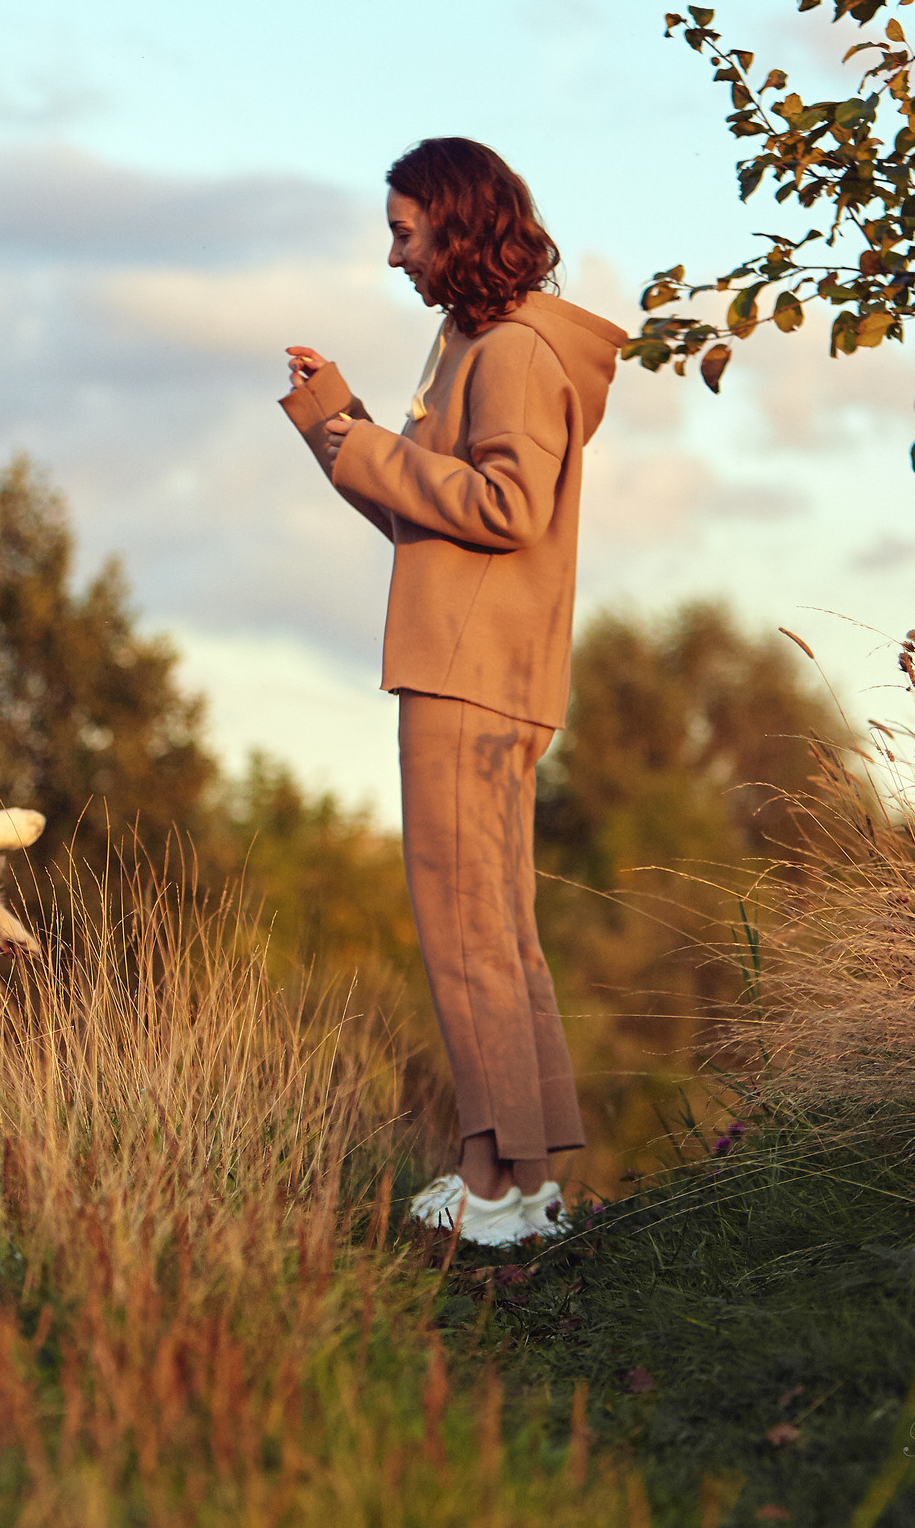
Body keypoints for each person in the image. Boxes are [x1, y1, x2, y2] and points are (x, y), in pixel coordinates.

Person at [278, 137, 625, 1248]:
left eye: (403, 232)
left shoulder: (513, 353)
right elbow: (424, 515)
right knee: (493, 931)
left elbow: (506, 507)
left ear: (455, 222)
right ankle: (521, 1183)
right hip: (480, 666)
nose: (394, 257)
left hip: (469, 674)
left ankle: (493, 1188)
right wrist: (335, 424)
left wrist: (365, 442)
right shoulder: (481, 343)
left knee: (468, 933)